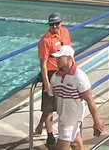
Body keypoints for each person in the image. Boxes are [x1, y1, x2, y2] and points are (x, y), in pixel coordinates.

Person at [49, 45, 105, 150]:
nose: (56, 60)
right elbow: (51, 100)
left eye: (60, 58)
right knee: (76, 145)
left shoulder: (80, 77)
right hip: (63, 117)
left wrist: (96, 120)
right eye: (56, 58)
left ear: (69, 58)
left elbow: (90, 100)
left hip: (72, 119)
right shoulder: (55, 77)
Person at [38, 13, 73, 148]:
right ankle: (50, 135)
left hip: (65, 71)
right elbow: (43, 64)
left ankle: (47, 126)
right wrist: (46, 82)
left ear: (61, 23)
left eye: (56, 24)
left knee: (64, 102)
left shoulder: (65, 32)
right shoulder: (45, 41)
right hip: (52, 73)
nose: (54, 27)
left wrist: (73, 69)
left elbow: (70, 53)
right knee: (49, 105)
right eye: (52, 25)